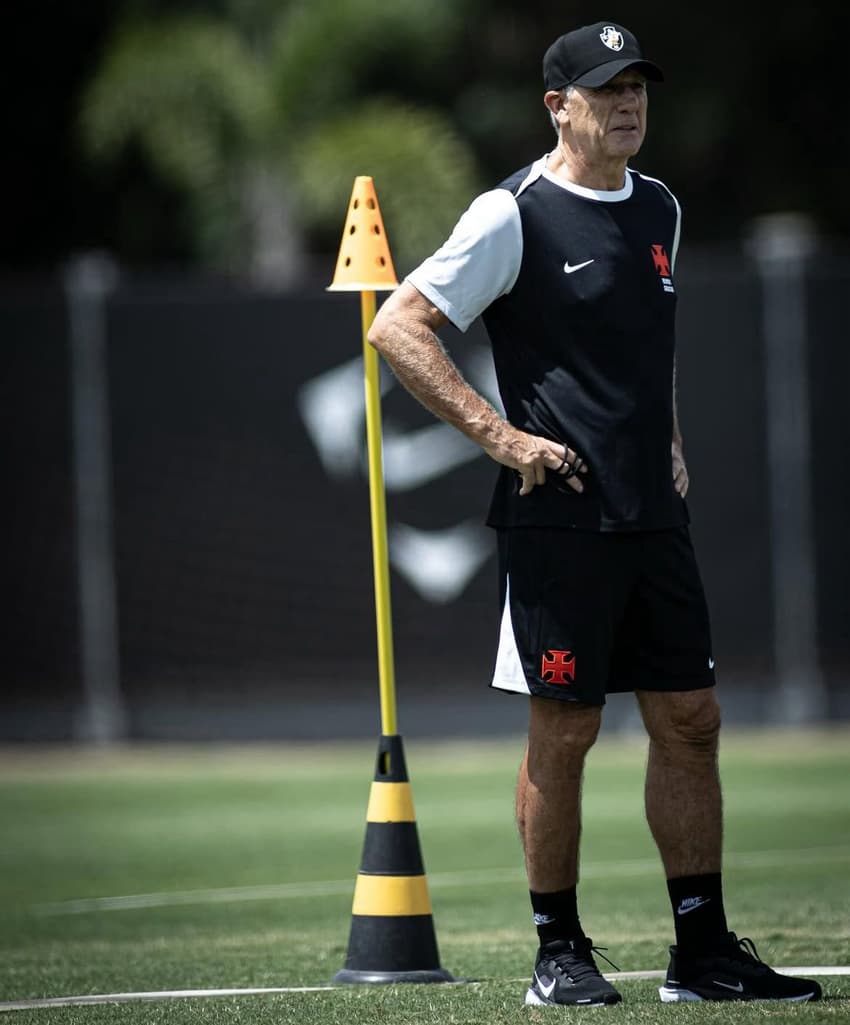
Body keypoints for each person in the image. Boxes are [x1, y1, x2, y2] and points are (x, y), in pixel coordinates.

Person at [367, 20, 822, 1009]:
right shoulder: (511, 212)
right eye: (606, 89)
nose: (627, 105)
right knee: (565, 730)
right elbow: (397, 323)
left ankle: (699, 951)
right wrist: (501, 436)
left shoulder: (659, 205)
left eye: (638, 89)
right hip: (559, 519)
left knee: (690, 721)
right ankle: (556, 950)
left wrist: (665, 436)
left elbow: (642, 346)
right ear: (556, 105)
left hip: (652, 514)